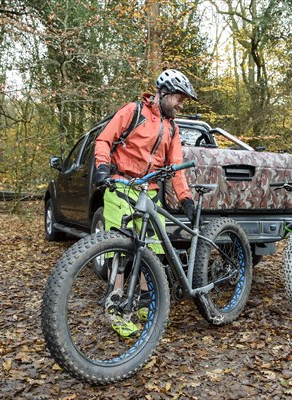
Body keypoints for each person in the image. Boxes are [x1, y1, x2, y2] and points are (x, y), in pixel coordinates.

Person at [93, 69, 197, 337]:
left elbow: (175, 168)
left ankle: (146, 304)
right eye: (179, 98)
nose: (181, 104)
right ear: (163, 93)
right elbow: (104, 139)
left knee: (151, 252)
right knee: (121, 251)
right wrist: (103, 167)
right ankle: (116, 307)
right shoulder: (133, 111)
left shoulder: (172, 127)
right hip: (120, 187)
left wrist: (185, 198)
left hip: (149, 193)